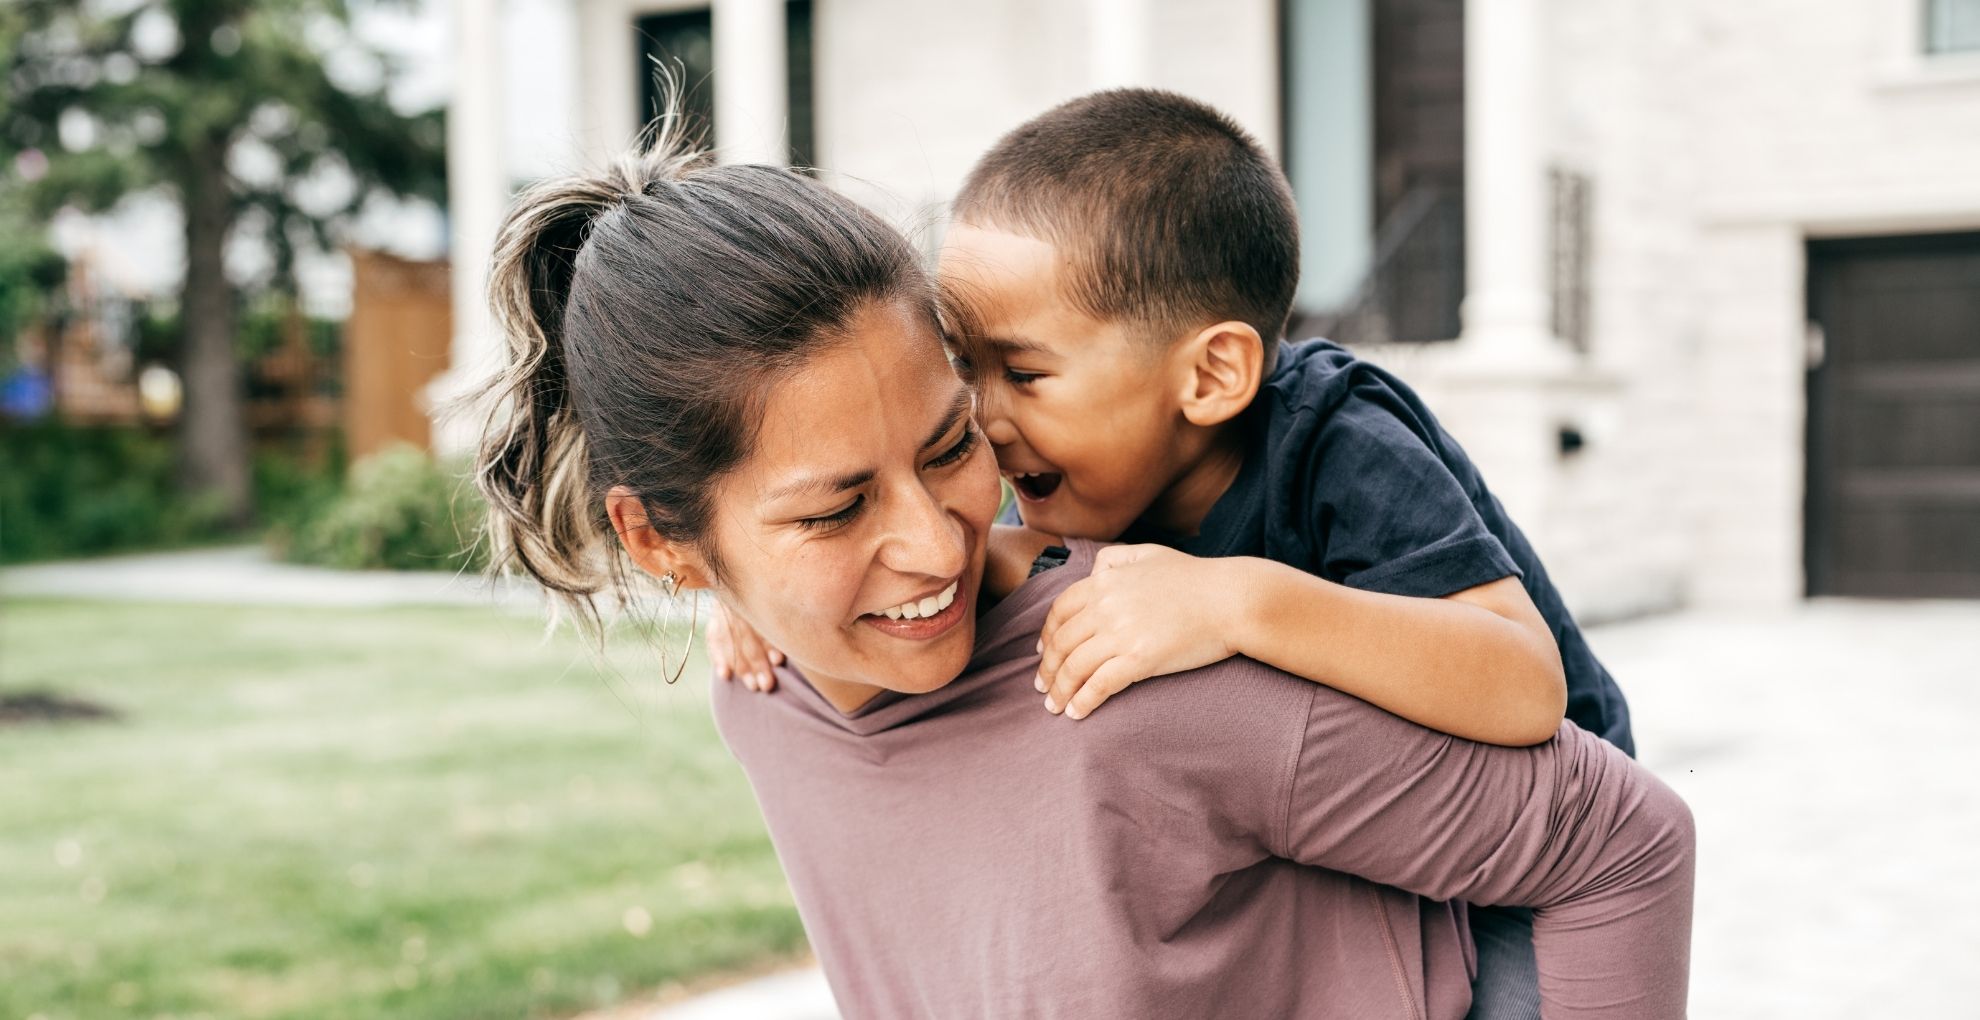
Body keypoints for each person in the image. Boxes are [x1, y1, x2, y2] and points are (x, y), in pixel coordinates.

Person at [470, 123, 1695, 1018]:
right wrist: (753, 612)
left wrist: (1241, 600)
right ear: (664, 544)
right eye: (836, 509)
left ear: (1210, 375)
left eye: (951, 444)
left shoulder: (1286, 506)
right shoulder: (764, 701)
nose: (942, 539)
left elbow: (1592, 793)